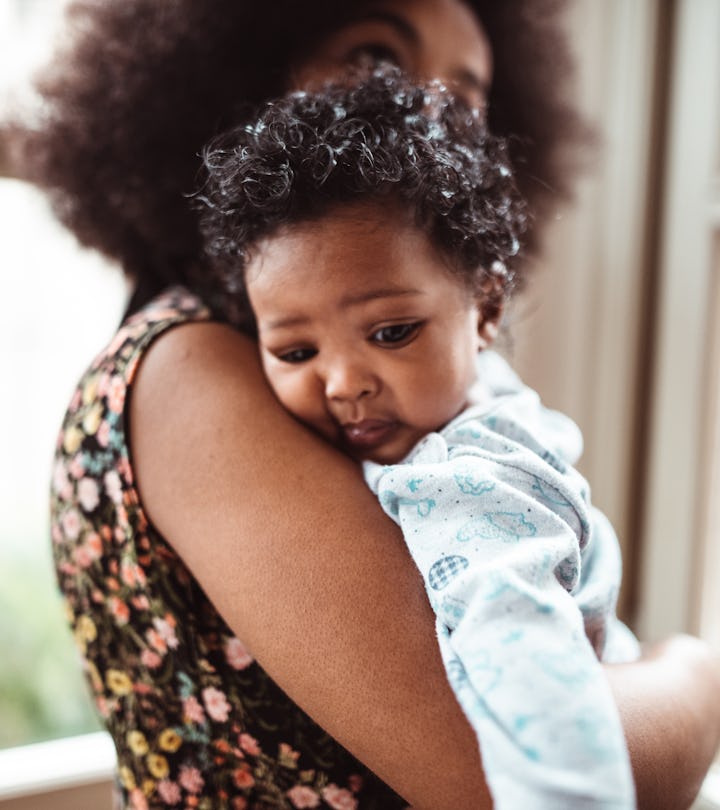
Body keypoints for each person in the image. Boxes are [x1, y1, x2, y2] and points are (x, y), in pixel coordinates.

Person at [9, 0, 720, 808]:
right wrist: (694, 672)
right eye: (375, 57)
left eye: (467, 89)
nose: (425, 106)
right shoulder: (189, 369)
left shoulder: (423, 405)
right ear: (232, 74)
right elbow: (487, 777)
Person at [195, 68, 642, 808]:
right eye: (295, 351)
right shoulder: (475, 393)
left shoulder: (465, 486)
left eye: (391, 332)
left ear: (487, 306)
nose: (342, 383)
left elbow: (536, 682)